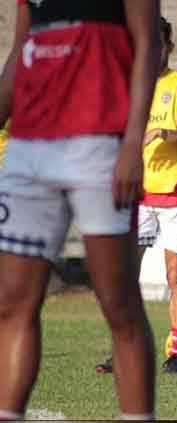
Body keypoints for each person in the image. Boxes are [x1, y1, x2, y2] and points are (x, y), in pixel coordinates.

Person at [0, 0, 160, 419]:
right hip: (29, 147)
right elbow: (21, 48)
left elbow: (146, 45)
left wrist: (131, 143)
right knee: (12, 303)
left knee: (118, 302)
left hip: (99, 143)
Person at [96, 15, 177, 375]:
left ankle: (176, 352)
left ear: (167, 46)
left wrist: (165, 132)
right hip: (137, 195)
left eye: (157, 43)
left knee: (176, 278)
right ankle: (124, 349)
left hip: (176, 196)